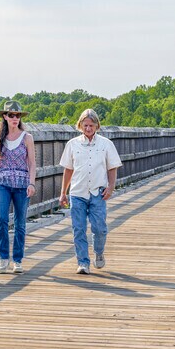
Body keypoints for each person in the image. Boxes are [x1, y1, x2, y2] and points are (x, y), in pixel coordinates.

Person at [59, 109, 122, 275]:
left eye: (91, 125)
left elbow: (112, 167)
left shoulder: (106, 144)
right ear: (80, 125)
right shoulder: (72, 144)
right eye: (85, 125)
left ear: (97, 126)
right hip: (77, 192)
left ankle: (99, 251)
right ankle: (83, 262)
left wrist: (111, 187)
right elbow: (68, 170)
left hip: (98, 192)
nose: (88, 129)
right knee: (78, 228)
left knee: (99, 228)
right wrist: (63, 192)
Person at [0, 100, 36, 274]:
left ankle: (17, 260)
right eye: (11, 115)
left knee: (20, 223)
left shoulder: (27, 138)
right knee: (2, 220)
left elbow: (31, 163)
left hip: (22, 184)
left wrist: (32, 183)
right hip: (2, 182)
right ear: (5, 117)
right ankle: (3, 258)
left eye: (18, 115)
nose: (15, 118)